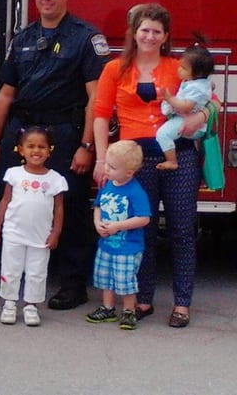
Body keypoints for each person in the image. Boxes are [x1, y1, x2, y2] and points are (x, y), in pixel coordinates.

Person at [0, 0, 110, 310]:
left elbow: (96, 99)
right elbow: (6, 95)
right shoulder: (24, 38)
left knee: (66, 205)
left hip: (63, 133)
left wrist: (87, 146)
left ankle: (72, 283)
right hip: (21, 131)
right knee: (8, 198)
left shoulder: (85, 38)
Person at [92, 3, 213, 328]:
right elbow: (101, 115)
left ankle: (182, 303)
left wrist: (200, 117)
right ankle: (143, 299)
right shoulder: (114, 69)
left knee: (182, 229)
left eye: (156, 31)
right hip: (134, 159)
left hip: (180, 155)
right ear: (134, 33)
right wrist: (102, 159)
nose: (149, 35)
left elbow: (209, 101)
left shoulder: (178, 67)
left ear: (165, 37)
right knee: (139, 228)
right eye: (144, 29)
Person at [0, 126, 68, 327]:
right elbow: (5, 200)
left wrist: (56, 232)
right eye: (31, 146)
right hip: (14, 232)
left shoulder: (55, 179)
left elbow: (58, 208)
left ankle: (31, 305)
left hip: (40, 236)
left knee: (37, 271)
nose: (36, 151)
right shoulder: (13, 174)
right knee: (11, 268)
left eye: (41, 146)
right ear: (20, 149)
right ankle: (9, 302)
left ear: (49, 150)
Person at [85, 140, 151, 331]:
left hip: (128, 247)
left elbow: (144, 218)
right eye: (106, 164)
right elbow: (98, 206)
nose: (106, 169)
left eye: (112, 167)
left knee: (125, 280)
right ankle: (107, 308)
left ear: (129, 172)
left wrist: (118, 226)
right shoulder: (108, 185)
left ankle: (129, 310)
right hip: (106, 244)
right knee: (105, 277)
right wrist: (97, 223)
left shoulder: (135, 191)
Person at [156, 43, 214, 171]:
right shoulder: (195, 82)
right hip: (185, 119)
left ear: (196, 73)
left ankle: (172, 161)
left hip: (188, 120)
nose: (179, 69)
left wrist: (170, 99)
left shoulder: (197, 87)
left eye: (183, 68)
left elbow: (186, 107)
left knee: (162, 134)